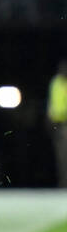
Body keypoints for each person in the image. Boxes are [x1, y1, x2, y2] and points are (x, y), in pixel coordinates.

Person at [49, 60, 67, 188]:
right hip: (58, 124)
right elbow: (51, 102)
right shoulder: (55, 82)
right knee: (61, 156)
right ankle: (63, 183)